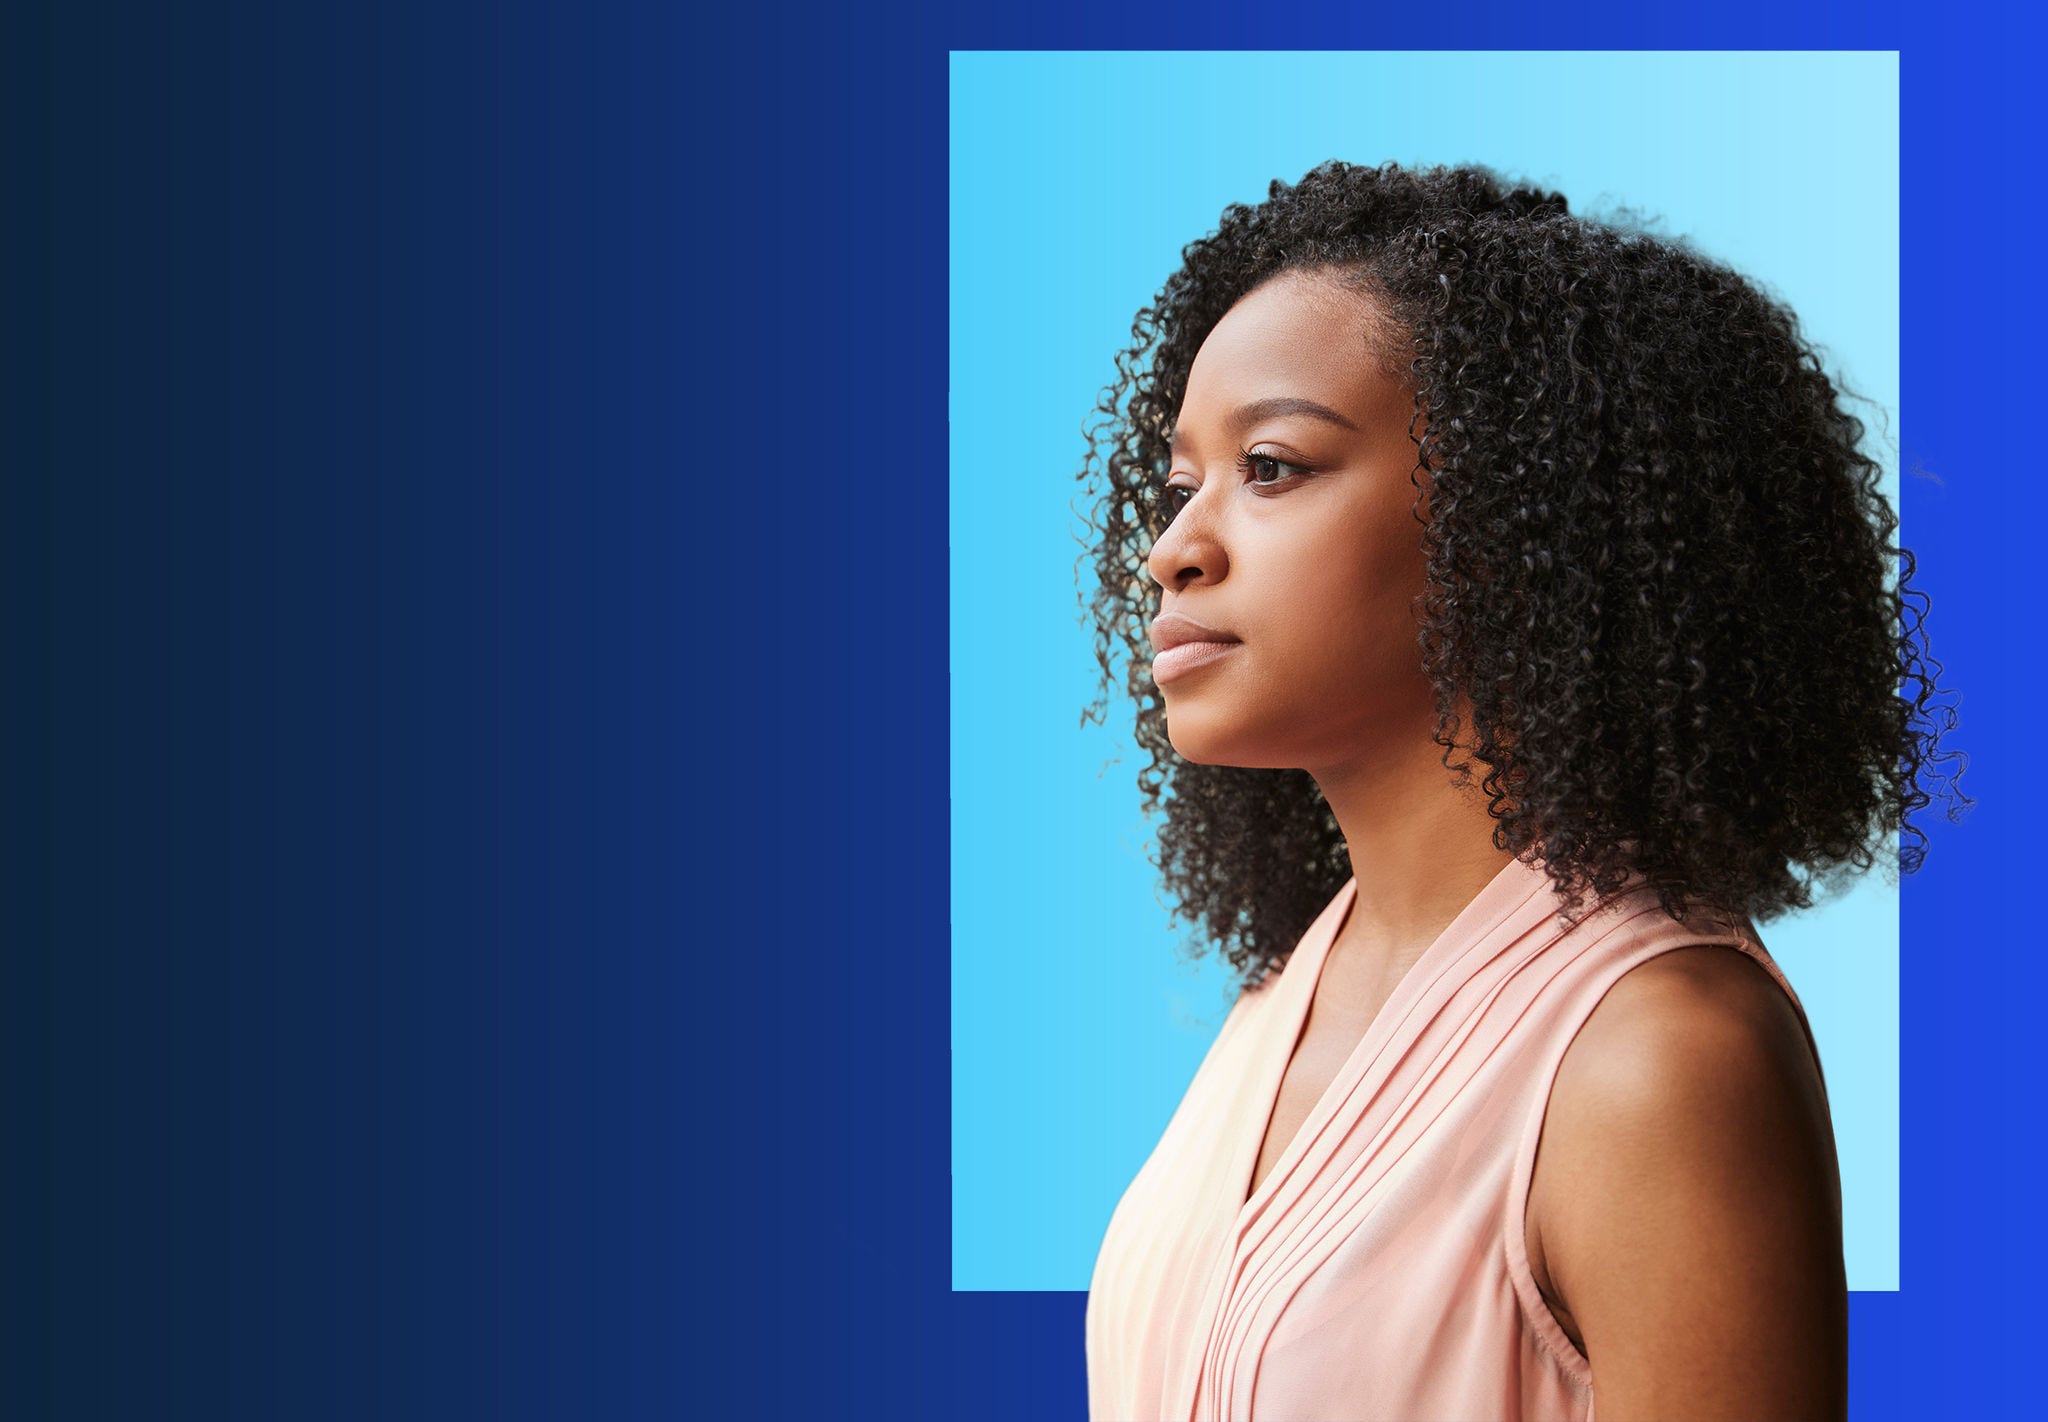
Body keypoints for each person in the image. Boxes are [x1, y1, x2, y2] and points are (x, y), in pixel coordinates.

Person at [1074, 161, 1970, 1422]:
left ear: (1507, 514)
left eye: (1269, 466)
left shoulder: (1653, 1058)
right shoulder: (1288, 993)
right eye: (1180, 486)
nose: (1174, 547)